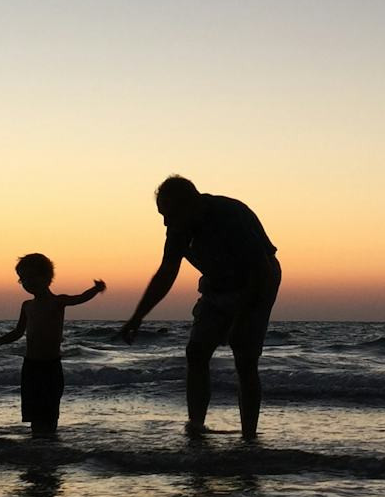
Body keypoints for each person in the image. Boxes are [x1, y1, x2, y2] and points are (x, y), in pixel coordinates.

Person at [118, 176, 280, 439]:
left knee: (245, 358)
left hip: (258, 280)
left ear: (191, 204)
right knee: (196, 352)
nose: (166, 223)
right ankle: (196, 427)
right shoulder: (178, 229)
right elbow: (166, 273)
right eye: (162, 216)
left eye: (169, 215)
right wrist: (137, 317)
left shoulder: (230, 215)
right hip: (216, 284)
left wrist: (241, 319)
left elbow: (260, 271)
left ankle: (249, 436)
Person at [0, 254, 105, 438]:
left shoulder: (58, 302)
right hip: (30, 366)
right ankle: (38, 447)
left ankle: (49, 445)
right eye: (23, 279)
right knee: (34, 413)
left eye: (31, 277)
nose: (27, 282)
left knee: (50, 411)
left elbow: (80, 298)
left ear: (46, 278)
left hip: (51, 366)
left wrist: (96, 289)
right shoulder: (27, 306)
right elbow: (18, 332)